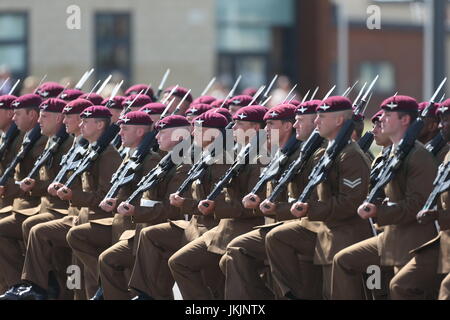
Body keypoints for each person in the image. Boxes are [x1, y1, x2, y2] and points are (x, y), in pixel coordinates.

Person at [331, 95, 438, 299]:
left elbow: (417, 204)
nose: (380, 120)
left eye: (388, 116)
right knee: (344, 260)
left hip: (414, 239)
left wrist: (379, 211)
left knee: (398, 288)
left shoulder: (418, 155)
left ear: (405, 120)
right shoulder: (392, 153)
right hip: (389, 234)